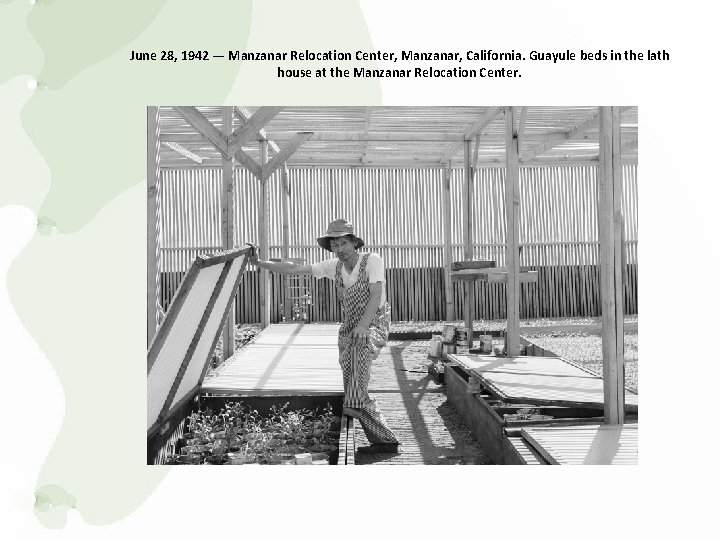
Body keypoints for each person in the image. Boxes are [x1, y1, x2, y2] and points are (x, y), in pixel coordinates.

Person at [247, 218, 400, 454]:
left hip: (374, 322)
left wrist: (363, 327)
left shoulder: (372, 260)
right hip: (350, 325)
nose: (339, 249)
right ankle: (383, 439)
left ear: (354, 242)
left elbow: (375, 295)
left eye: (343, 243)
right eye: (335, 245)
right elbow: (294, 268)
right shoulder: (333, 267)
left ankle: (353, 406)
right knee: (351, 377)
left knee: (359, 353)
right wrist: (258, 262)